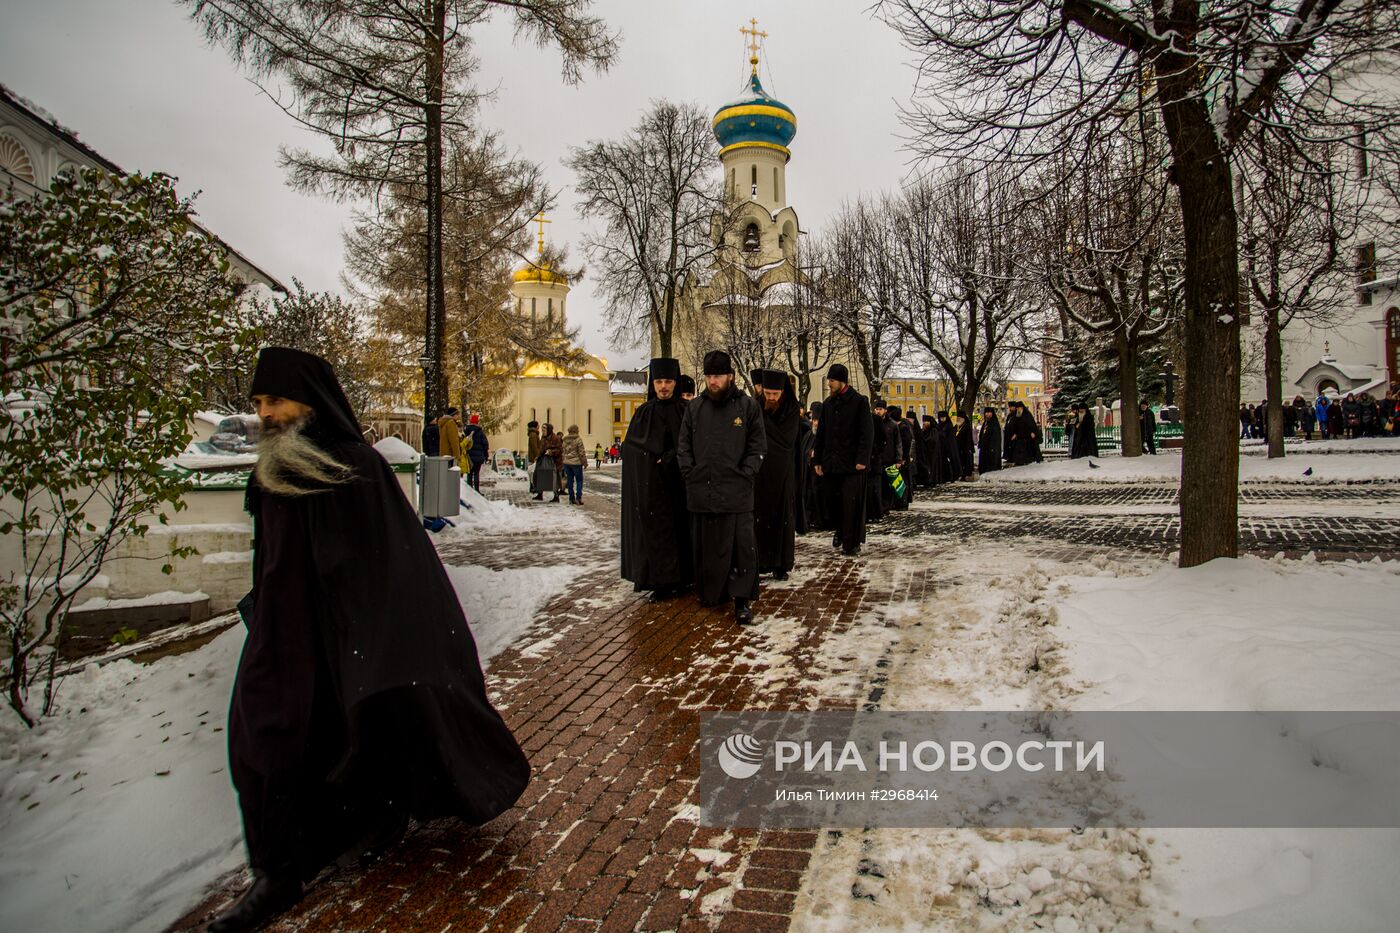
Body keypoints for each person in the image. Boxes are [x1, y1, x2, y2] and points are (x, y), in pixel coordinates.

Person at [213, 348, 528, 933]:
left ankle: (343, 833)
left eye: (276, 401)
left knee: (364, 724)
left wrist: (381, 633)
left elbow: (389, 563)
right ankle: (277, 867)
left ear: (309, 404)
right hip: (287, 635)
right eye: (259, 404)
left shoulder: (353, 466)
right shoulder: (273, 469)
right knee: (264, 733)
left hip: (350, 631)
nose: (266, 415)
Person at [678, 351, 766, 624]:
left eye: (718, 376)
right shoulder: (695, 408)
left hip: (737, 492)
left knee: (741, 547)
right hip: (702, 490)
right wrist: (690, 473)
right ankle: (711, 593)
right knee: (707, 547)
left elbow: (757, 446)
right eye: (709, 376)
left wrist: (746, 473)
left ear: (730, 376)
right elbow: (684, 446)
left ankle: (741, 601)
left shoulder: (747, 406)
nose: (713, 382)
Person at [621, 358, 693, 602]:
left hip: (680, 487)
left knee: (682, 531)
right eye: (659, 381)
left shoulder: (685, 411)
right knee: (658, 535)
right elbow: (632, 450)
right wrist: (650, 461)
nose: (664, 386)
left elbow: (692, 445)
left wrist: (673, 458)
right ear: (653, 383)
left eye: (669, 381)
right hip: (653, 488)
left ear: (675, 382)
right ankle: (660, 581)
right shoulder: (643, 413)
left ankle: (684, 578)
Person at [812, 364, 872, 557]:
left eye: (831, 381)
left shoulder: (859, 402)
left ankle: (851, 542)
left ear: (842, 381)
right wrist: (818, 460)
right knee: (833, 502)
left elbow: (866, 433)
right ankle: (839, 530)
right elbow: (821, 435)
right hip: (831, 463)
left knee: (850, 504)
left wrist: (862, 458)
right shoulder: (828, 404)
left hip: (852, 464)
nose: (829, 384)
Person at [751, 369, 799, 580]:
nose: (770, 398)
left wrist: (762, 439)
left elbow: (786, 441)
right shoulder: (755, 406)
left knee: (782, 518)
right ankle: (760, 561)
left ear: (782, 392)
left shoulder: (791, 408)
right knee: (758, 517)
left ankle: (780, 563)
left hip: (782, 471)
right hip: (759, 472)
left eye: (774, 394)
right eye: (767, 394)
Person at [1004, 401, 1040, 466]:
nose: (1018, 409)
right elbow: (1016, 426)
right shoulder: (1017, 416)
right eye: (1017, 408)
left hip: (1027, 437)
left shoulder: (1027, 415)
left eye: (1019, 408)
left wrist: (1032, 432)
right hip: (1019, 437)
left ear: (1022, 408)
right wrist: (1015, 433)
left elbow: (1031, 424)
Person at [462, 413, 489, 492]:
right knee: (476, 473)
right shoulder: (480, 432)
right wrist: (486, 455)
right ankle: (476, 490)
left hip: (469, 456)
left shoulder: (466, 431)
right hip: (479, 456)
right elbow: (485, 444)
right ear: (477, 422)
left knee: (469, 473)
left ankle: (469, 490)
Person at [561, 425, 587, 504]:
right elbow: (581, 453)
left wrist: (564, 460)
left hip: (567, 463)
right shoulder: (578, 439)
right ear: (575, 431)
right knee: (579, 480)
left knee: (569, 481)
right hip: (576, 463)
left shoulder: (564, 440)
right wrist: (584, 463)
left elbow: (563, 452)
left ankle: (571, 498)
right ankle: (578, 498)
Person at [435, 406, 466, 471]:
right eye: (457, 415)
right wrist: (457, 456)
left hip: (444, 452)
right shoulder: (451, 423)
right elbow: (454, 441)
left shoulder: (444, 423)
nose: (458, 417)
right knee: (451, 474)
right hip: (451, 454)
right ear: (453, 415)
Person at [978, 406, 1002, 474]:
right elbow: (982, 434)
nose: (987, 414)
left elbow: (996, 437)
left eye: (989, 413)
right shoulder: (985, 423)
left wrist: (992, 447)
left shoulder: (994, 423)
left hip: (991, 448)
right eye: (986, 413)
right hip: (984, 448)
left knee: (991, 464)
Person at [953, 410, 974, 479]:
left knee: (964, 462)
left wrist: (967, 449)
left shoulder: (967, 427)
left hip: (964, 448)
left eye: (960, 418)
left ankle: (964, 475)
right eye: (958, 418)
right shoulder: (956, 427)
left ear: (964, 419)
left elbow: (969, 439)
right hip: (956, 448)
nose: (959, 419)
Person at [526, 421, 543, 500]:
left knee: (533, 474)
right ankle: (533, 488)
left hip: (533, 457)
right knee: (533, 474)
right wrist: (537, 456)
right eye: (538, 425)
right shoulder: (533, 435)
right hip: (534, 458)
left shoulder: (533, 434)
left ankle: (533, 488)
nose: (539, 426)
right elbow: (534, 447)